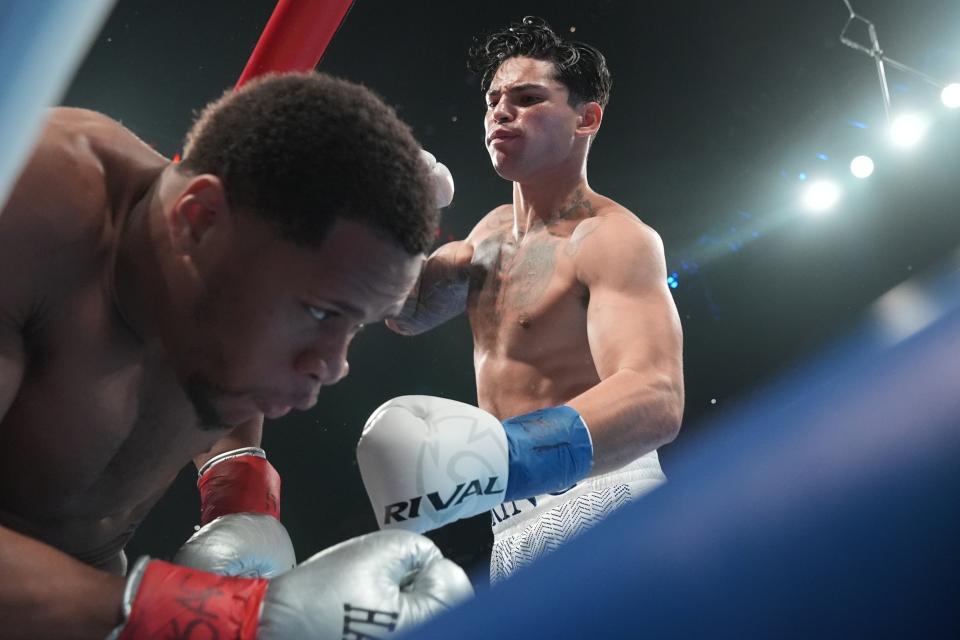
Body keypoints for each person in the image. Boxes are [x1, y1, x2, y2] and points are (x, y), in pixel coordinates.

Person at [0, 71, 472, 639]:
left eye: (357, 325)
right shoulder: (28, 213)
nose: (333, 365)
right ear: (199, 220)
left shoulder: (221, 281)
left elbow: (218, 362)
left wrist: (241, 491)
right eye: (322, 313)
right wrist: (212, 618)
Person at [356, 17, 685, 584]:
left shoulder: (611, 238)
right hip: (509, 525)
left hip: (605, 498)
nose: (500, 112)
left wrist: (496, 458)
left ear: (586, 118)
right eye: (493, 100)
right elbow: (404, 313)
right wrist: (402, 214)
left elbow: (656, 397)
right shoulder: (485, 238)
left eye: (528, 98)